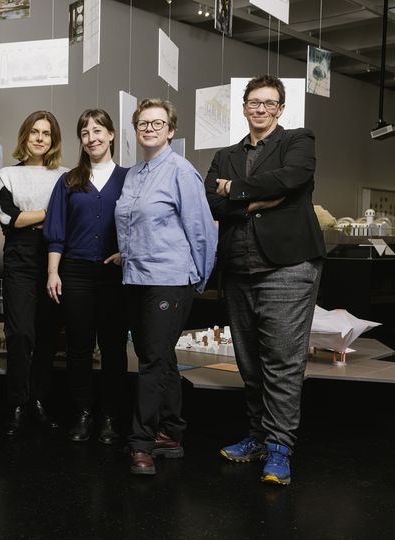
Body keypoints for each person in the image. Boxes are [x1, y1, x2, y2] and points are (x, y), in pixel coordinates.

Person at [205, 74, 325, 485]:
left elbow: (290, 179)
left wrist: (236, 189)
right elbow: (212, 201)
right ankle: (258, 437)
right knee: (249, 361)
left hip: (288, 265)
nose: (260, 109)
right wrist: (256, 201)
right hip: (238, 268)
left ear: (280, 109)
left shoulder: (297, 141)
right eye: (254, 102)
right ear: (243, 108)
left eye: (269, 103)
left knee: (282, 362)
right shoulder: (225, 155)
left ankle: (279, 447)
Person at [115, 99, 217, 475]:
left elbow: (202, 231)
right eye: (143, 123)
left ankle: (141, 444)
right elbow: (134, 224)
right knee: (157, 356)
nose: (149, 128)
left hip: (170, 280)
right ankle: (172, 432)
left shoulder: (182, 172)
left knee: (152, 361)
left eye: (158, 123)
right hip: (135, 277)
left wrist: (198, 279)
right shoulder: (133, 174)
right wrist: (125, 254)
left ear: (171, 130)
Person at [43, 109, 128, 444]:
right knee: (79, 348)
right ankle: (83, 413)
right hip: (75, 272)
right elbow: (56, 231)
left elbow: (142, 224)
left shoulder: (129, 179)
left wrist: (127, 252)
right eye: (85, 132)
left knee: (113, 348)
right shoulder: (68, 181)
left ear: (111, 135)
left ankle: (110, 417)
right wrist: (53, 271)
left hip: (114, 274)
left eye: (98, 130)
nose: (92, 138)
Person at [0, 111, 68, 437]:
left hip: (55, 259)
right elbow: (9, 219)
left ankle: (38, 400)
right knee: (20, 334)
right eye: (34, 132)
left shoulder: (65, 177)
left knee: (48, 335)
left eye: (46, 133)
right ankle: (16, 403)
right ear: (25, 135)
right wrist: (50, 214)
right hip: (20, 258)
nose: (40, 138)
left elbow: (68, 220)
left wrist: (33, 217)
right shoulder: (7, 174)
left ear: (54, 140)